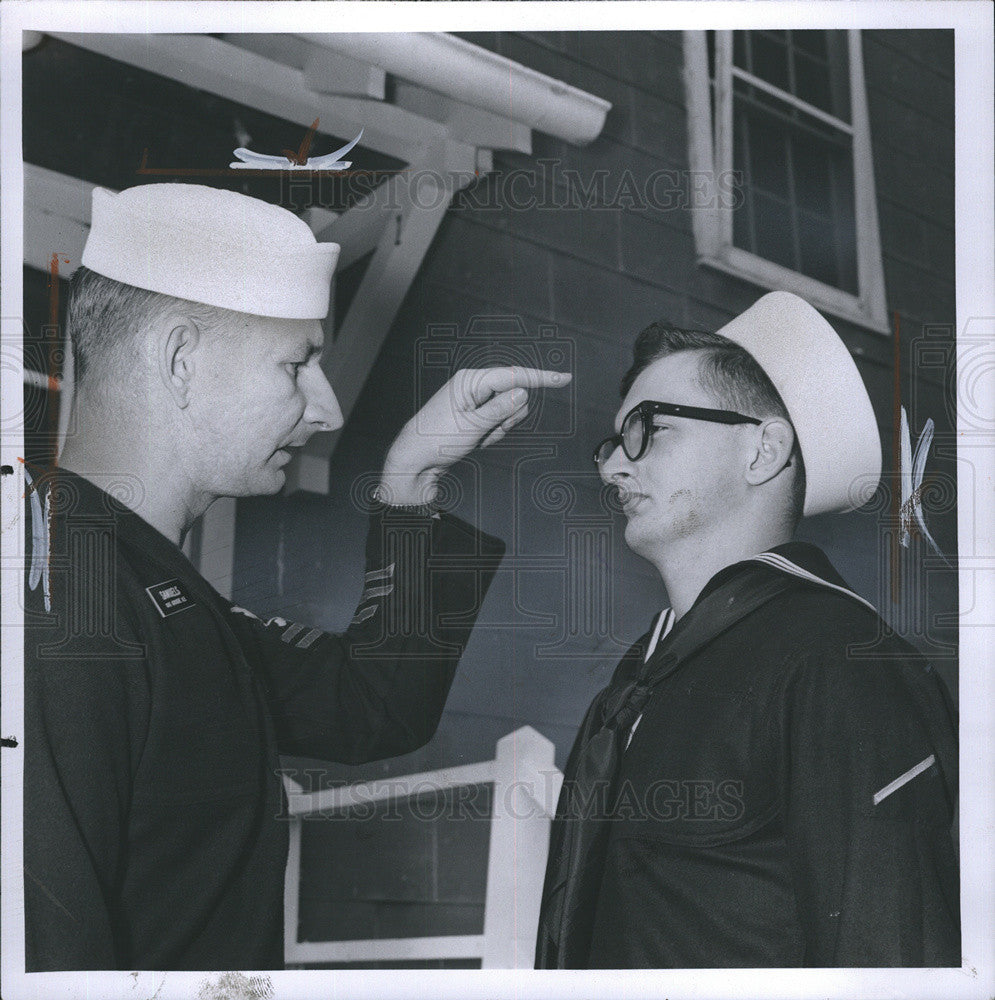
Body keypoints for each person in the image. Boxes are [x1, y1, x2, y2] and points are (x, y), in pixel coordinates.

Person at [22, 182, 569, 971]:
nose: (327, 409)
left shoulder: (143, 587)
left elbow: (368, 707)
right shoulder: (57, 592)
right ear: (180, 359)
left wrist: (410, 478)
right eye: (298, 362)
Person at [535, 291, 959, 969]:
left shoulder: (840, 659)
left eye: (649, 427)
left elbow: (891, 953)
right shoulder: (635, 682)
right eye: (613, 441)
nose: (614, 466)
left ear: (763, 450)